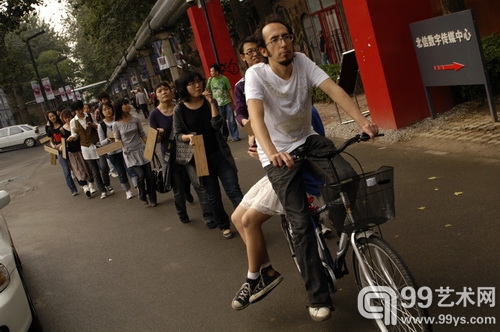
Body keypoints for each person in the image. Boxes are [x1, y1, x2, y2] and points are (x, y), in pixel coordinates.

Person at [245, 17, 379, 321]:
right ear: (264, 50)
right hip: (277, 154)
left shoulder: (303, 62)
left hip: (308, 140)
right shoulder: (256, 75)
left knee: (346, 176)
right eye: (275, 40)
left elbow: (334, 90)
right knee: (300, 223)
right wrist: (272, 151)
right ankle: (317, 296)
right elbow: (255, 115)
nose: (283, 43)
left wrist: (363, 123)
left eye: (286, 37)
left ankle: (348, 229)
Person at [173, 70, 243, 238]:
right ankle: (223, 225)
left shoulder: (207, 102)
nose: (198, 85)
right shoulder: (179, 110)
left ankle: (245, 220)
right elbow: (177, 135)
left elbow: (217, 124)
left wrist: (212, 103)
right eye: (192, 83)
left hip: (219, 154)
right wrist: (187, 137)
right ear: (184, 87)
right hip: (200, 158)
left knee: (234, 190)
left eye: (199, 81)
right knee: (213, 196)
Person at [149, 81, 209, 223]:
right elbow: (153, 141)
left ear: (172, 91)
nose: (164, 92)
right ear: (156, 96)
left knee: (199, 184)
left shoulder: (181, 107)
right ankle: (182, 213)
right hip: (170, 155)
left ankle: (208, 215)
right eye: (160, 91)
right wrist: (159, 134)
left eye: (166, 89)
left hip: (188, 151)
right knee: (178, 191)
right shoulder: (154, 115)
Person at [113, 98, 158, 207]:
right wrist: (118, 142)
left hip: (141, 150)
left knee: (149, 176)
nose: (128, 105)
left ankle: (153, 198)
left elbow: (142, 134)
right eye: (125, 104)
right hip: (129, 153)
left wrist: (150, 147)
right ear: (120, 107)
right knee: (141, 175)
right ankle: (142, 194)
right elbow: (117, 138)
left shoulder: (135, 119)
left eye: (127, 103)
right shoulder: (116, 124)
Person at [69, 100, 112, 199]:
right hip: (85, 148)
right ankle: (102, 190)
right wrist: (72, 138)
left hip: (96, 145)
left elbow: (98, 126)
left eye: (81, 109)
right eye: (77, 110)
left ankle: (107, 183)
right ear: (74, 111)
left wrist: (93, 125)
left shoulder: (89, 116)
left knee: (104, 167)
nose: (80, 111)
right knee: (95, 171)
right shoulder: (73, 121)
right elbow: (74, 134)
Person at [97, 102, 135, 200]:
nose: (107, 111)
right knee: (121, 172)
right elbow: (101, 142)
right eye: (104, 110)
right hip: (112, 153)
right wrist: (109, 138)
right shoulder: (101, 126)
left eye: (109, 108)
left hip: (124, 149)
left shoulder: (119, 120)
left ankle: (138, 186)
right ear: (102, 113)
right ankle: (127, 191)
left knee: (130, 168)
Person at [59, 109, 93, 197]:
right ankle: (85, 187)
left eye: (68, 117)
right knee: (78, 169)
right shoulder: (62, 130)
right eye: (65, 118)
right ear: (62, 119)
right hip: (71, 152)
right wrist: (65, 142)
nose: (67, 120)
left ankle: (91, 184)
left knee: (87, 167)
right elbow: (63, 142)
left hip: (81, 148)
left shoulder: (75, 124)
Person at [46, 110, 79, 196]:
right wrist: (53, 146)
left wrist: (62, 143)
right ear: (48, 119)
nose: (52, 118)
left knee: (75, 167)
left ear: (56, 116)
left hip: (68, 148)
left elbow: (67, 136)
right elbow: (51, 141)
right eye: (50, 117)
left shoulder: (62, 126)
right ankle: (73, 189)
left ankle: (83, 184)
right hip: (59, 151)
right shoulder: (50, 129)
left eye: (53, 116)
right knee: (66, 170)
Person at [206, 64, 241, 142]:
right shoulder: (210, 80)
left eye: (212, 71)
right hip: (217, 104)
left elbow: (229, 90)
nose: (211, 72)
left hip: (227, 102)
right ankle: (224, 136)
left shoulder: (224, 79)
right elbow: (207, 90)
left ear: (217, 71)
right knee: (221, 122)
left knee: (231, 120)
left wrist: (234, 100)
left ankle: (235, 136)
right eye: (210, 71)